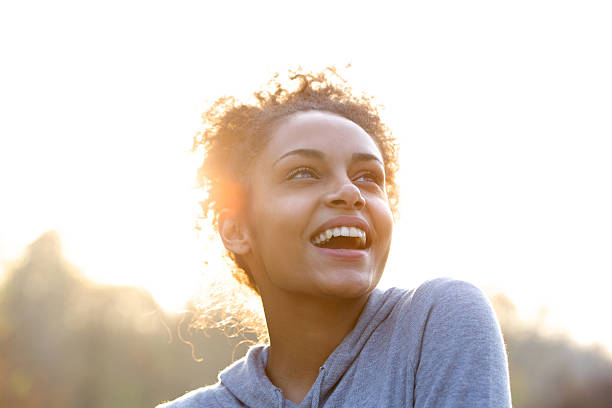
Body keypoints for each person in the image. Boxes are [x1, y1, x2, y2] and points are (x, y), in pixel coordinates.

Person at [157, 69, 512, 407]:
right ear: (237, 230)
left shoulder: (439, 321)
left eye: (368, 177)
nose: (349, 191)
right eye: (304, 173)